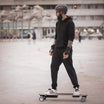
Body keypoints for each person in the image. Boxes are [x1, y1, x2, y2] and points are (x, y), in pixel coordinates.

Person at [44, 4, 80, 96]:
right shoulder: (58, 23)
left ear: (61, 12)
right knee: (53, 68)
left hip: (65, 50)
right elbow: (56, 36)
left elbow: (71, 38)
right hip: (57, 50)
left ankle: (76, 88)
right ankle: (54, 88)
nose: (56, 14)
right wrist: (53, 46)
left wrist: (68, 50)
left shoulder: (70, 23)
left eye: (57, 12)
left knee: (69, 69)